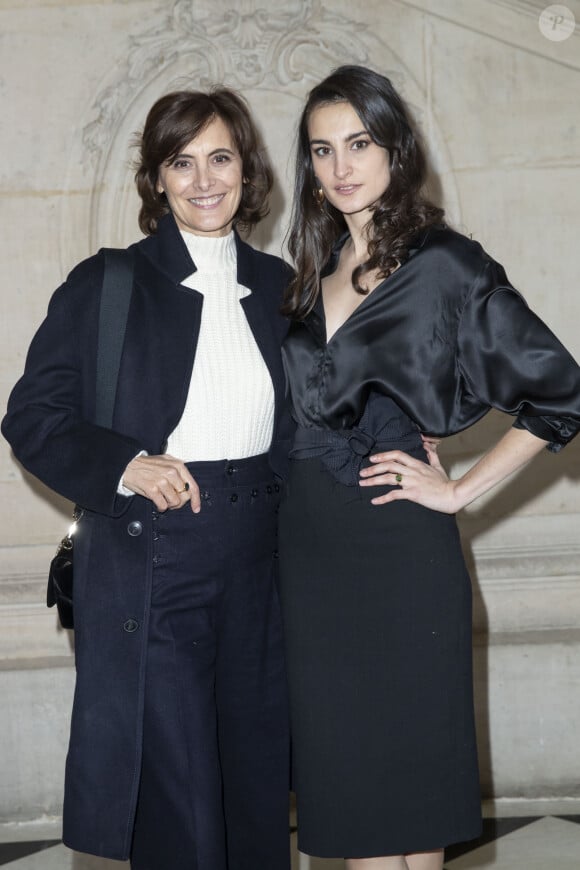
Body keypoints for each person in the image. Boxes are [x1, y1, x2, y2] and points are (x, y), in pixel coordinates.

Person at [278, 64, 580, 870]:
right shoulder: (311, 272)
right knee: (368, 808)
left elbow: (561, 394)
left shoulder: (445, 263)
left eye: (360, 143)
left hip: (401, 553)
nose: (341, 166)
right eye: (321, 150)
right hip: (310, 561)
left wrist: (459, 491)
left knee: (403, 808)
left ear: (396, 149)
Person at [2, 87, 294, 870]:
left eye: (220, 158)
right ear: (157, 179)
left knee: (254, 789)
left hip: (263, 564)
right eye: (182, 161)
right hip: (157, 563)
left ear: (247, 169)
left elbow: (320, 423)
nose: (204, 180)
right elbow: (33, 416)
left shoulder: (282, 289)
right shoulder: (107, 283)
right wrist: (123, 463)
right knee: (179, 797)